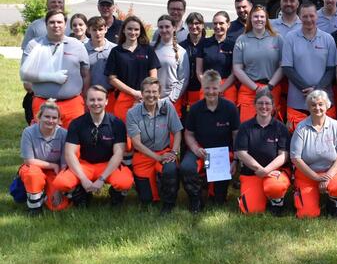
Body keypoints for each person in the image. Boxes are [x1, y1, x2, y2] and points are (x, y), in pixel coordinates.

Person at [53, 85, 134, 206]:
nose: (96, 103)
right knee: (61, 183)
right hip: (84, 164)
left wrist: (101, 179)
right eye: (92, 100)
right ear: (86, 101)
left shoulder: (117, 123)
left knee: (125, 182)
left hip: (109, 164)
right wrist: (83, 179)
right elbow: (69, 153)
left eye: (100, 99)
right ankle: (80, 195)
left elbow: (118, 154)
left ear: (106, 101)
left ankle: (116, 195)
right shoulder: (76, 123)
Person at [181, 70, 240, 212]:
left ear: (220, 87)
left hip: (222, 155)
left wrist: (235, 160)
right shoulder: (195, 109)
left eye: (214, 88)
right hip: (200, 152)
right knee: (186, 167)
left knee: (219, 200)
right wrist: (195, 149)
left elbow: (236, 136)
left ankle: (214, 191)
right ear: (202, 87)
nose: (211, 91)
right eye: (207, 88)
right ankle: (196, 199)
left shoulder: (230, 108)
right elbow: (188, 134)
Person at [20, 9, 90, 128]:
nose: (56, 25)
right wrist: (52, 77)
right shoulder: (35, 45)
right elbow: (25, 74)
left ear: (65, 24)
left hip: (73, 104)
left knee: (74, 142)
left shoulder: (77, 45)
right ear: (46, 24)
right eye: (52, 22)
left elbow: (85, 74)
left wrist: (85, 98)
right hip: (43, 104)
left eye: (59, 22)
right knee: (44, 143)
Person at [289, 89, 337, 218]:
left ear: (327, 105)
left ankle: (333, 206)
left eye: (321, 104)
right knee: (307, 214)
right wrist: (316, 177)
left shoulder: (336, 125)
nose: (317, 108)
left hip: (330, 172)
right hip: (307, 174)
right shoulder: (301, 127)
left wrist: (327, 176)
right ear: (308, 107)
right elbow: (295, 158)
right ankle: (305, 196)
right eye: (313, 105)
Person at [126, 77, 182, 213]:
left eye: (154, 92)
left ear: (160, 93)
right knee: (146, 199)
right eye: (147, 92)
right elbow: (137, 144)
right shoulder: (132, 113)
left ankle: (169, 203)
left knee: (170, 170)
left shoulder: (167, 106)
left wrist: (174, 153)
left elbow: (178, 131)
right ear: (142, 93)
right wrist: (157, 158)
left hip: (164, 152)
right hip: (143, 156)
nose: (151, 95)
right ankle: (153, 189)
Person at [234, 87, 292, 215]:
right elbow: (241, 153)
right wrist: (259, 168)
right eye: (260, 103)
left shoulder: (280, 128)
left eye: (267, 103)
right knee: (251, 210)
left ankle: (277, 202)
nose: (264, 106)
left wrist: (266, 171)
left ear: (273, 106)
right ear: (254, 105)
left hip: (275, 172)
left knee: (275, 187)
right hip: (252, 173)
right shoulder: (245, 127)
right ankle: (262, 195)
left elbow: (284, 156)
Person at [282, 2, 337, 130]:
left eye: (311, 16)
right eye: (305, 16)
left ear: (317, 16)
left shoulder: (328, 39)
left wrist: (316, 91)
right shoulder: (290, 38)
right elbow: (287, 68)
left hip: (323, 102)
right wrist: (307, 89)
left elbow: (331, 69)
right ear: (300, 17)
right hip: (297, 103)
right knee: (297, 143)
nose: (308, 20)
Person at [232, 5, 284, 122]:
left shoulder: (277, 38)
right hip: (249, 90)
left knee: (269, 128)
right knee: (247, 127)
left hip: (271, 89)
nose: (259, 19)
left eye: (262, 16)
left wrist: (269, 86)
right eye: (255, 16)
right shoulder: (242, 39)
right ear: (250, 18)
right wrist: (256, 88)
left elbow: (282, 66)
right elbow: (237, 68)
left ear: (266, 19)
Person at [105, 15, 160, 124]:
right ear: (124, 30)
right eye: (129, 29)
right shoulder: (116, 51)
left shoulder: (147, 49)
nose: (133, 32)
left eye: (136, 29)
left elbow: (153, 74)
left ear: (140, 31)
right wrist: (133, 92)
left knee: (145, 132)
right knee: (124, 132)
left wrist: (147, 93)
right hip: (124, 97)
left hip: (146, 97)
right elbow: (111, 78)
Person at [18, 100, 70, 214]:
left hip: (54, 172)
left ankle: (45, 194)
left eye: (54, 118)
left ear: (58, 120)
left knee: (59, 206)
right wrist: (52, 165)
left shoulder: (63, 134)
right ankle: (35, 207)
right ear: (39, 117)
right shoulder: (28, 132)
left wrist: (59, 189)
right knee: (33, 175)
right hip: (34, 168)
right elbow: (28, 160)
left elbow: (64, 164)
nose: (50, 121)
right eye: (47, 116)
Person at [196, 11, 238, 104]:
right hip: (207, 86)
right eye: (215, 23)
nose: (218, 26)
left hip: (227, 88)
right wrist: (208, 87)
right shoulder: (204, 43)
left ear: (228, 24)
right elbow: (199, 71)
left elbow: (234, 72)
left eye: (221, 23)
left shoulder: (234, 45)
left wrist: (221, 89)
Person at [152, 15, 188, 106]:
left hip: (170, 101)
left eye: (167, 27)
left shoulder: (181, 52)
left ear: (174, 28)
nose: (164, 30)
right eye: (161, 27)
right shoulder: (150, 48)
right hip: (150, 98)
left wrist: (170, 99)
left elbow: (183, 79)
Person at [84, 16, 117, 112]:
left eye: (100, 29)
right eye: (94, 30)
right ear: (89, 31)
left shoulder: (114, 49)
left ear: (106, 29)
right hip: (91, 95)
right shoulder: (82, 49)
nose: (98, 33)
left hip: (110, 94)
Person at [180, 12, 205, 111]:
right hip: (185, 90)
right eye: (191, 23)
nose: (194, 26)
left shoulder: (208, 45)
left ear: (202, 25)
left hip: (202, 88)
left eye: (197, 23)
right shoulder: (181, 46)